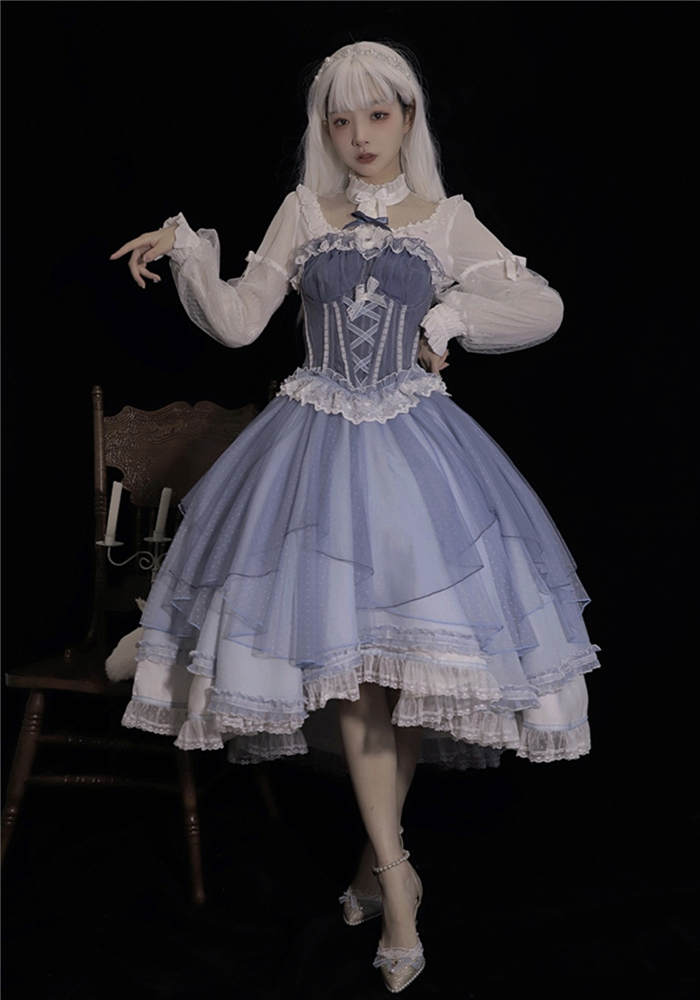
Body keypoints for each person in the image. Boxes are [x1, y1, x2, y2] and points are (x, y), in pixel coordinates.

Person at [111, 42, 600, 993]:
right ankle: (396, 880)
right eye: (342, 119)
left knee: (397, 669)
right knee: (358, 676)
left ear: (408, 119)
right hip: (312, 456)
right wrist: (189, 253)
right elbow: (241, 321)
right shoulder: (304, 210)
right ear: (325, 130)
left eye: (378, 115)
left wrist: (447, 321)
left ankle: (381, 870)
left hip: (415, 464)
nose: (360, 136)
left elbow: (541, 306)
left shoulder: (444, 219)